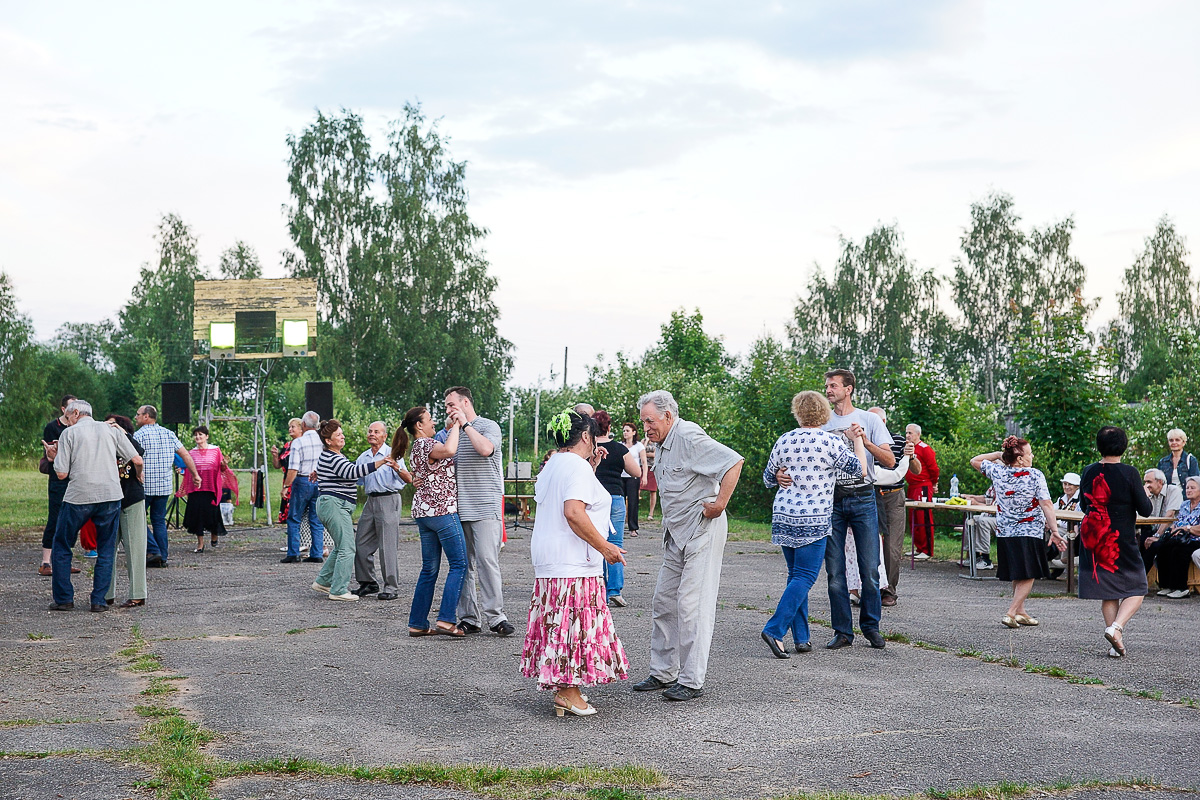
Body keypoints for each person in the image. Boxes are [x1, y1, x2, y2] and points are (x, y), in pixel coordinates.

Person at [632, 390, 743, 702]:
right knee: (663, 602)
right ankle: (663, 672)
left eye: (650, 421)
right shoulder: (662, 444)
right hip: (676, 534)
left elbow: (733, 462)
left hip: (701, 531)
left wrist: (720, 503)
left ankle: (692, 680)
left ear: (668, 416)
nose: (646, 429)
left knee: (691, 605)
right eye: (643, 423)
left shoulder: (689, 435)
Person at [521, 409, 629, 716]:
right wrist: (605, 546)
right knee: (572, 626)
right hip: (572, 563)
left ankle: (565, 689)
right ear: (585, 436)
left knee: (561, 625)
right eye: (593, 436)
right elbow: (573, 512)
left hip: (551, 561)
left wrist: (591, 469)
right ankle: (568, 691)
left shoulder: (554, 465)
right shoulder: (575, 467)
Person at [777, 369, 895, 650]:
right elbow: (796, 455)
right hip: (830, 502)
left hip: (864, 497)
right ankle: (842, 631)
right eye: (827, 386)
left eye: (833, 386)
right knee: (835, 572)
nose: (828, 390)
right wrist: (781, 474)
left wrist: (864, 442)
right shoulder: (820, 421)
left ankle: (871, 627)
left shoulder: (869, 419)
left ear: (848, 389)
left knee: (869, 569)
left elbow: (890, 460)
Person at [760, 391, 864, 658]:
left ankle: (802, 638)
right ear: (823, 412)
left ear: (798, 412)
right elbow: (859, 470)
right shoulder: (831, 442)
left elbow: (768, 478)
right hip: (813, 517)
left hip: (784, 514)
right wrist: (858, 441)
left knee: (796, 576)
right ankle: (774, 629)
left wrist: (780, 474)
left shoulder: (785, 439)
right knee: (805, 577)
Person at [49, 400, 143, 612]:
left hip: (78, 496)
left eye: (68, 417)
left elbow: (62, 473)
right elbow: (136, 458)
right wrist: (139, 476)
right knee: (107, 548)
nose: (67, 421)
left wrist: (53, 457)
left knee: (62, 544)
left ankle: (64, 598)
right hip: (110, 495)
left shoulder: (69, 434)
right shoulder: (110, 429)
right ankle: (98, 600)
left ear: (75, 413)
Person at [971, 436, 1065, 628]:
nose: (1032, 456)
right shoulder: (1035, 475)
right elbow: (1046, 504)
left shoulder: (997, 471)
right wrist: (1054, 530)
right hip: (1029, 530)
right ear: (1020, 458)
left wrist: (999, 455)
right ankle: (1011, 612)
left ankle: (1021, 611)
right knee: (1029, 573)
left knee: (1017, 572)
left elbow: (975, 460)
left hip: (1005, 531)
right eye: (1029, 453)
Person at [1077, 426, 1154, 657]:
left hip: (1093, 533)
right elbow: (1146, 510)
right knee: (1138, 585)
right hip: (1119, 536)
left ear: (1099, 446)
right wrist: (1145, 495)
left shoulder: (1088, 471)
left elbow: (1083, 505)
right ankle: (1117, 629)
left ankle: (1115, 644)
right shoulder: (1129, 472)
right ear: (1124, 445)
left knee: (1109, 591)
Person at [444, 386, 513, 637]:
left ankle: (496, 617)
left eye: (452, 405)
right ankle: (469, 618)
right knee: (463, 565)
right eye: (446, 407)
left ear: (465, 403)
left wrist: (465, 426)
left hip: (485, 505)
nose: (449, 410)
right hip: (458, 508)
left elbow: (485, 450)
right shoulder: (449, 432)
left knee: (487, 561)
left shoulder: (487, 426)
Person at [396, 406, 468, 635]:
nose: (433, 423)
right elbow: (449, 450)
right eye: (429, 420)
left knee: (429, 569)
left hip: (424, 513)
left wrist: (450, 427)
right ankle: (446, 619)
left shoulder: (417, 447)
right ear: (419, 425)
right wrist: (457, 425)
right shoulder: (426, 444)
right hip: (442, 511)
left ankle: (417, 623)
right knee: (458, 564)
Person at [311, 419, 394, 601]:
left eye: (342, 433)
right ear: (328, 441)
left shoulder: (332, 456)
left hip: (335, 505)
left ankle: (323, 581)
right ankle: (339, 590)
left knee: (341, 546)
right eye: (338, 435)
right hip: (334, 505)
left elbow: (345, 471)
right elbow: (352, 472)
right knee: (348, 548)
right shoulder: (332, 457)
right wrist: (380, 462)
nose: (342, 437)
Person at [134, 404, 200, 568]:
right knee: (158, 521)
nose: (136, 417)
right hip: (163, 486)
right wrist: (195, 475)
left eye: (138, 414)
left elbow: (134, 459)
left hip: (145, 486)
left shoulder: (139, 436)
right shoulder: (169, 434)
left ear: (146, 416)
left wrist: (136, 474)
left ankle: (153, 550)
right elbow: (185, 454)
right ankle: (163, 556)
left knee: (138, 520)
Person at [352, 421, 411, 600]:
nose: (372, 434)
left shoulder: (393, 454)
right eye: (370, 431)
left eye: (376, 432)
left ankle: (391, 587)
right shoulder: (363, 457)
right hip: (371, 501)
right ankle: (368, 582)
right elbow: (356, 479)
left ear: (384, 436)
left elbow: (408, 478)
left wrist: (396, 467)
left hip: (389, 499)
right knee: (360, 543)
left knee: (387, 546)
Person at [591, 410, 641, 608]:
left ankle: (599, 590)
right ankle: (615, 590)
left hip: (594, 499)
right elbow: (636, 471)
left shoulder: (588, 449)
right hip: (615, 498)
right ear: (609, 427)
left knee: (597, 543)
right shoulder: (619, 449)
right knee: (616, 542)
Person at [103, 415, 147, 608]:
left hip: (131, 499)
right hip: (108, 500)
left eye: (114, 424)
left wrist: (122, 433)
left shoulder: (130, 442)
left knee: (135, 549)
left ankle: (138, 593)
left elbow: (138, 453)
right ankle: (105, 593)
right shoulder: (102, 444)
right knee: (106, 550)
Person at [869, 407, 910, 606]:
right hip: (869, 495)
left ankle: (889, 591)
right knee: (869, 544)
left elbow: (915, 470)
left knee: (892, 547)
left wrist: (913, 456)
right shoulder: (862, 441)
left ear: (883, 423)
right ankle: (869, 588)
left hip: (893, 496)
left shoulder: (899, 440)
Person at [39, 395, 81, 576]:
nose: (75, 412)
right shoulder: (52, 427)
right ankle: (46, 562)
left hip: (75, 478)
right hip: (58, 478)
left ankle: (64, 560)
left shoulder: (79, 427)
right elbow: (51, 454)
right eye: (72, 408)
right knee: (55, 518)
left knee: (72, 519)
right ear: (64, 410)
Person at [178, 426, 235, 553]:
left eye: (200, 434)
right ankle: (200, 544)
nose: (198, 437)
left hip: (211, 488)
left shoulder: (215, 450)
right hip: (196, 488)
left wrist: (224, 465)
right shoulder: (191, 453)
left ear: (207, 436)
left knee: (212, 514)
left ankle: (214, 533)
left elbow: (222, 469)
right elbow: (188, 471)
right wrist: (182, 471)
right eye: (196, 435)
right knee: (197, 515)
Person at [282, 411, 325, 564]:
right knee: (316, 519)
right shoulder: (323, 440)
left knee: (294, 518)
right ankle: (317, 553)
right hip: (319, 482)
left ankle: (293, 553)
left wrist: (286, 486)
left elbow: (293, 469)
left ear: (304, 425)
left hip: (302, 481)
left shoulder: (298, 443)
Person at [1153, 476, 1200, 600]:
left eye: (1192, 488)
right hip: (1181, 536)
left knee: (1179, 550)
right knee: (1162, 547)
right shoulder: (1184, 504)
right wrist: (1174, 529)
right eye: (1187, 487)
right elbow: (1178, 521)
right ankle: (1167, 585)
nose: (1188, 490)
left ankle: (1182, 588)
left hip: (1196, 539)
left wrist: (1188, 528)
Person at [904, 423, 940, 564]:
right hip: (912, 486)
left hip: (923, 486)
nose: (907, 435)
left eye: (910, 433)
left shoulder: (925, 449)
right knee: (913, 518)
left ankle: (927, 550)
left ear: (918, 434)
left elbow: (934, 468)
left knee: (923, 517)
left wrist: (934, 483)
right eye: (906, 433)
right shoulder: (908, 448)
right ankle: (918, 547)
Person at [1138, 468, 1182, 572]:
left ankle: (1139, 580)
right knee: (1137, 544)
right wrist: (1143, 498)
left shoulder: (1173, 490)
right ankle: (1133, 579)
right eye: (1145, 482)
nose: (1146, 485)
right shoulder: (1149, 494)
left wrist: (1157, 536)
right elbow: (1141, 515)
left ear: (1160, 482)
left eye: (1149, 482)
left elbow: (1170, 515)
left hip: (1171, 532)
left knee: (1153, 545)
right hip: (1154, 531)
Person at [1049, 472, 1081, 575]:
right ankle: (1045, 563)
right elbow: (1052, 509)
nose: (1066, 487)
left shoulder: (1079, 499)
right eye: (1065, 484)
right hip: (1060, 525)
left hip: (1074, 528)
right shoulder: (1062, 498)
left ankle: (1065, 565)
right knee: (1044, 533)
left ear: (1076, 486)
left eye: (1070, 484)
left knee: (1067, 537)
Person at [620, 422, 647, 538]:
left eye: (627, 431)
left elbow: (644, 462)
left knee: (633, 502)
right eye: (624, 431)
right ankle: (619, 526)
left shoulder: (639, 446)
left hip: (633, 477)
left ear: (633, 432)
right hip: (620, 476)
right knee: (619, 502)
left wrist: (644, 476)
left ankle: (633, 528)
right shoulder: (620, 445)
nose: (625, 433)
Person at [642, 435, 659, 523]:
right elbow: (640, 451)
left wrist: (645, 454)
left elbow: (655, 455)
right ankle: (633, 512)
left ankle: (651, 514)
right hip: (643, 467)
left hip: (653, 468)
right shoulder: (643, 441)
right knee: (638, 489)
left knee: (653, 491)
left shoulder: (657, 442)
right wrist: (646, 441)